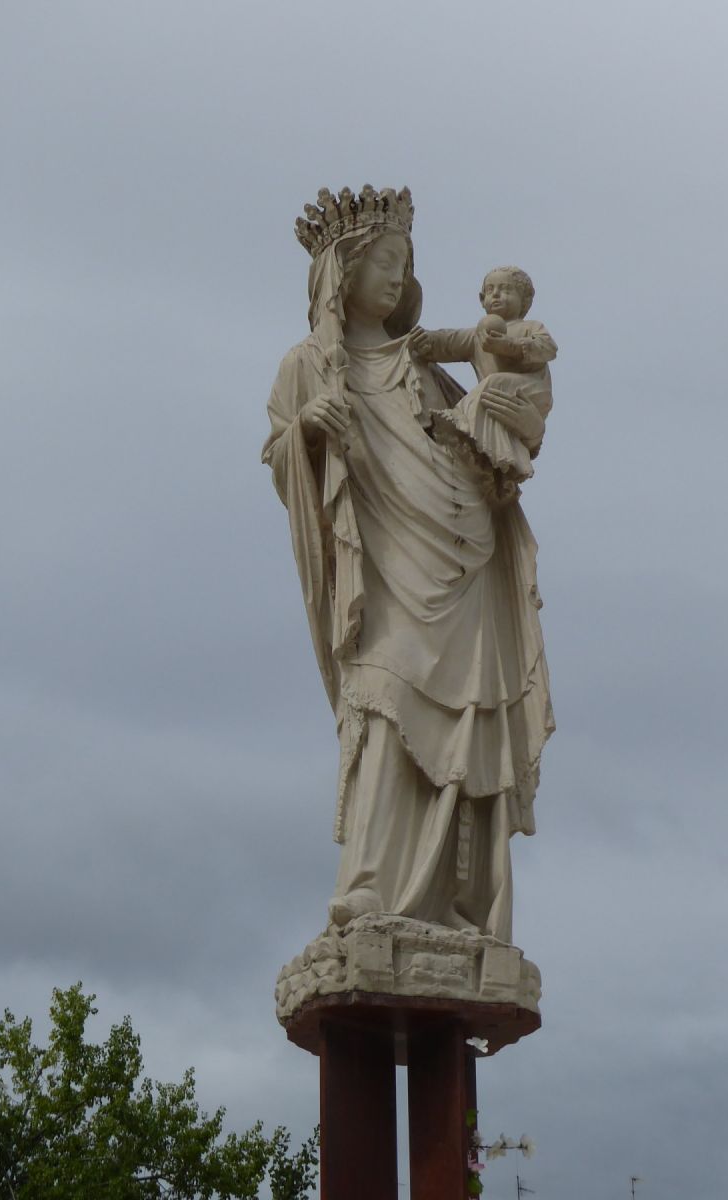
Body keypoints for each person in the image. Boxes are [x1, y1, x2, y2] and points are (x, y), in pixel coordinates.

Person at [262, 186, 554, 943]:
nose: (397, 278)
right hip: (387, 571)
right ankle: (370, 888)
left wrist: (507, 411)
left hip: (461, 566)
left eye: (404, 264)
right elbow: (280, 456)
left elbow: (479, 438)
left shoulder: (421, 361)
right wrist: (307, 432)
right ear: (343, 273)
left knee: (464, 727)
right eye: (384, 262)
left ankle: (453, 906)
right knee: (383, 702)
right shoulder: (306, 367)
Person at [413, 266, 557, 486]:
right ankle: (490, 448)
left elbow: (548, 349)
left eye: (506, 289)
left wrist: (508, 345)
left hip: (532, 390)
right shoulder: (477, 334)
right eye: (490, 290)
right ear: (482, 299)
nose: (496, 294)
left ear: (524, 299)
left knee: (493, 384)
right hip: (495, 396)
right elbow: (448, 341)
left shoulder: (530, 327)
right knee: (491, 390)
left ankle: (460, 423)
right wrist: (427, 341)